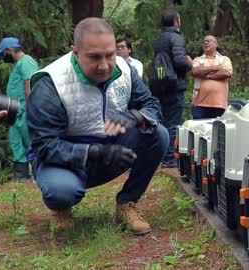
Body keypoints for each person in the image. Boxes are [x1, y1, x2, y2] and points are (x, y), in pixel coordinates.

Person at [26, 18, 169, 234]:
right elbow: (44, 146)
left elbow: (151, 106)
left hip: (110, 149)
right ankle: (61, 208)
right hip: (64, 161)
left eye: (110, 55)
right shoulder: (50, 83)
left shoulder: (125, 70)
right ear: (75, 52)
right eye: (94, 57)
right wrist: (94, 152)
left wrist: (135, 116)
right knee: (61, 191)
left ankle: (127, 202)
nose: (104, 66)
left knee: (158, 134)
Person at [0, 37, 39, 182]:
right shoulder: (19, 64)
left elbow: (29, 83)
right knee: (16, 142)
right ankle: (21, 177)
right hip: (15, 111)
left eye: (3, 54)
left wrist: (31, 108)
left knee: (31, 141)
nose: (3, 57)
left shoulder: (26, 61)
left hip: (26, 108)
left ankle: (39, 175)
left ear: (9, 50)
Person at [152, 10, 193, 168]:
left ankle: (159, 157)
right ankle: (169, 158)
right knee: (172, 122)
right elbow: (180, 62)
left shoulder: (159, 38)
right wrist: (190, 63)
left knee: (161, 121)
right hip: (174, 85)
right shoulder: (176, 37)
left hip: (160, 84)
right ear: (176, 22)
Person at [190, 35, 232, 119]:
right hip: (199, 105)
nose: (206, 43)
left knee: (218, 131)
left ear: (216, 44)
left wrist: (206, 75)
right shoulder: (198, 60)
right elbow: (195, 71)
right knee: (199, 129)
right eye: (204, 41)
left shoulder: (225, 59)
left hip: (220, 105)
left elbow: (226, 73)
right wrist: (215, 68)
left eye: (209, 41)